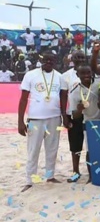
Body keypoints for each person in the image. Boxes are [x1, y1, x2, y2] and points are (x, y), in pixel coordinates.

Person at [17, 50, 69, 192]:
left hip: (54, 118)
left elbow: (63, 98)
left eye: (51, 60)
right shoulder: (31, 75)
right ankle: (29, 179)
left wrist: (64, 116)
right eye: (46, 60)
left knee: (52, 148)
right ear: (41, 60)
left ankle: (50, 175)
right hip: (35, 118)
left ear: (55, 61)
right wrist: (20, 121)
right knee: (33, 149)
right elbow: (23, 99)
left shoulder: (59, 77)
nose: (48, 62)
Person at [68, 64, 100, 183]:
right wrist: (79, 109)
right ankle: (91, 176)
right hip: (88, 123)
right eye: (82, 74)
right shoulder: (75, 92)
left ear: (92, 73)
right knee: (90, 150)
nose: (86, 76)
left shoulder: (99, 84)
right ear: (77, 75)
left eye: (88, 73)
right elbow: (75, 115)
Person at [61, 50, 88, 181]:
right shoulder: (66, 76)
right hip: (73, 114)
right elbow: (63, 97)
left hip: (91, 115)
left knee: (91, 145)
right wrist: (64, 116)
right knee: (75, 145)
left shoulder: (91, 72)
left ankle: (92, 172)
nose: (80, 59)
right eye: (77, 57)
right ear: (73, 59)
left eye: (82, 57)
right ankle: (76, 171)